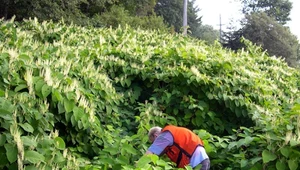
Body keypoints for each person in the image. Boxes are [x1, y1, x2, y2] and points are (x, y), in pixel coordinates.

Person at [145, 125, 210, 170]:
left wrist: (139, 165)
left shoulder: (166, 135)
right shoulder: (173, 133)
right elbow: (158, 154)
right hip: (202, 160)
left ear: (156, 135)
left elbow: (150, 153)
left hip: (197, 162)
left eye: (154, 142)